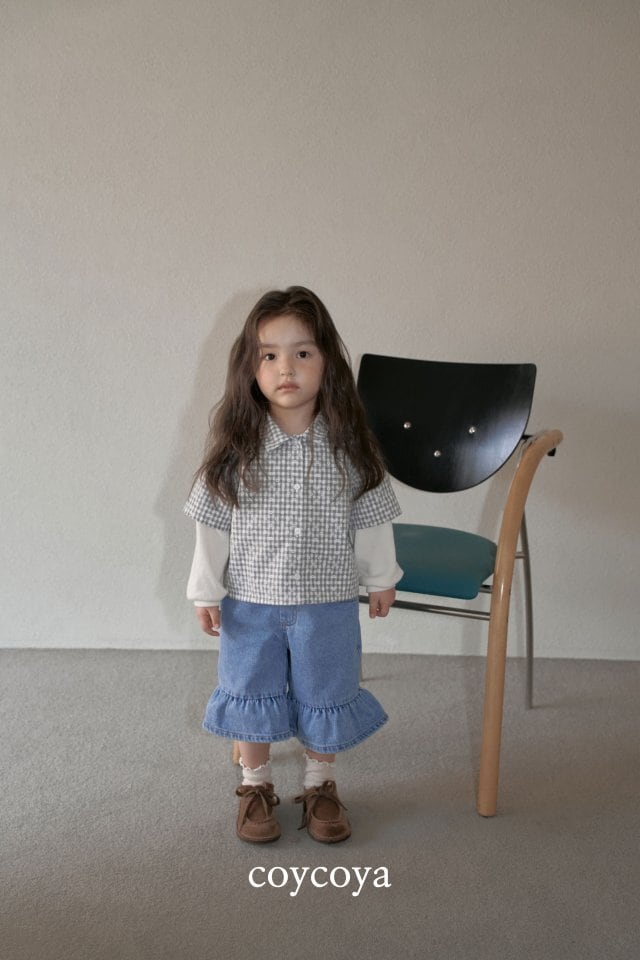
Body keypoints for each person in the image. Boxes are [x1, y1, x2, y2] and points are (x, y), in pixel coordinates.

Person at [184, 286, 402, 844]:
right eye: (270, 355)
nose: (287, 368)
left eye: (303, 353)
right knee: (250, 693)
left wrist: (381, 578)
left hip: (326, 605)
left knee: (325, 691)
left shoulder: (351, 449)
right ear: (250, 368)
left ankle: (320, 784)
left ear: (327, 362)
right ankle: (255, 785)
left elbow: (372, 518)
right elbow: (212, 527)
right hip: (250, 604)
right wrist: (205, 590)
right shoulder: (236, 450)